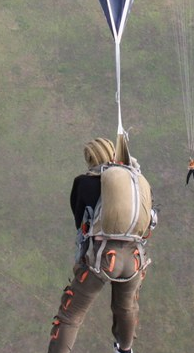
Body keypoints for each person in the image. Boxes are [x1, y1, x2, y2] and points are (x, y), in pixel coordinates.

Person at [48, 135, 157, 353]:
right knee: (126, 308)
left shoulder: (84, 183)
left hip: (104, 258)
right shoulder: (137, 181)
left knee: (70, 315)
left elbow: (81, 222)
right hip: (135, 259)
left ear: (90, 159)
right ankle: (125, 349)